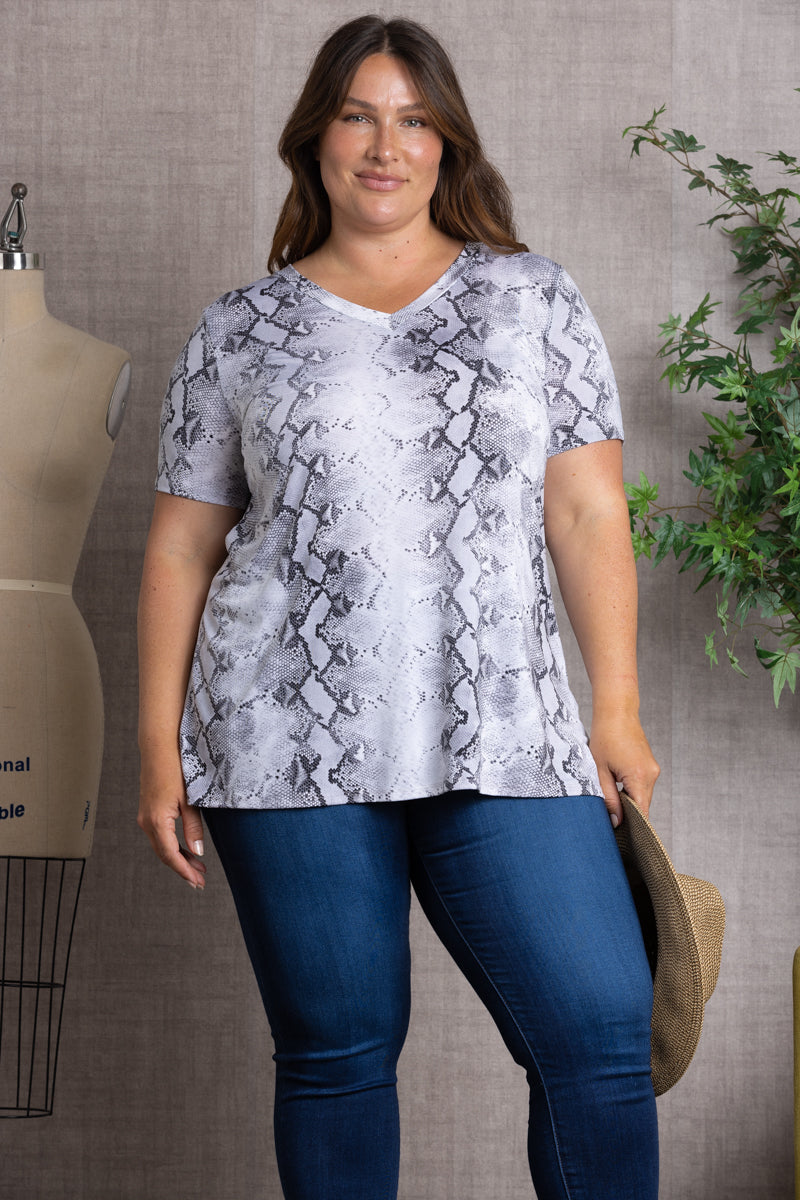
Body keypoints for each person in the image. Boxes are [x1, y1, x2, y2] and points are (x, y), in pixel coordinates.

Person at [137, 14, 660, 1200]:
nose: (386, 147)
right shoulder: (239, 329)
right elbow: (180, 548)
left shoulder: (531, 298)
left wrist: (615, 709)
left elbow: (586, 514)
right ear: (314, 138)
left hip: (503, 728)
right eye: (358, 117)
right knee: (336, 1056)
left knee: (596, 1034)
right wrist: (158, 751)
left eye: (414, 120)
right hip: (284, 737)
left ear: (447, 142)